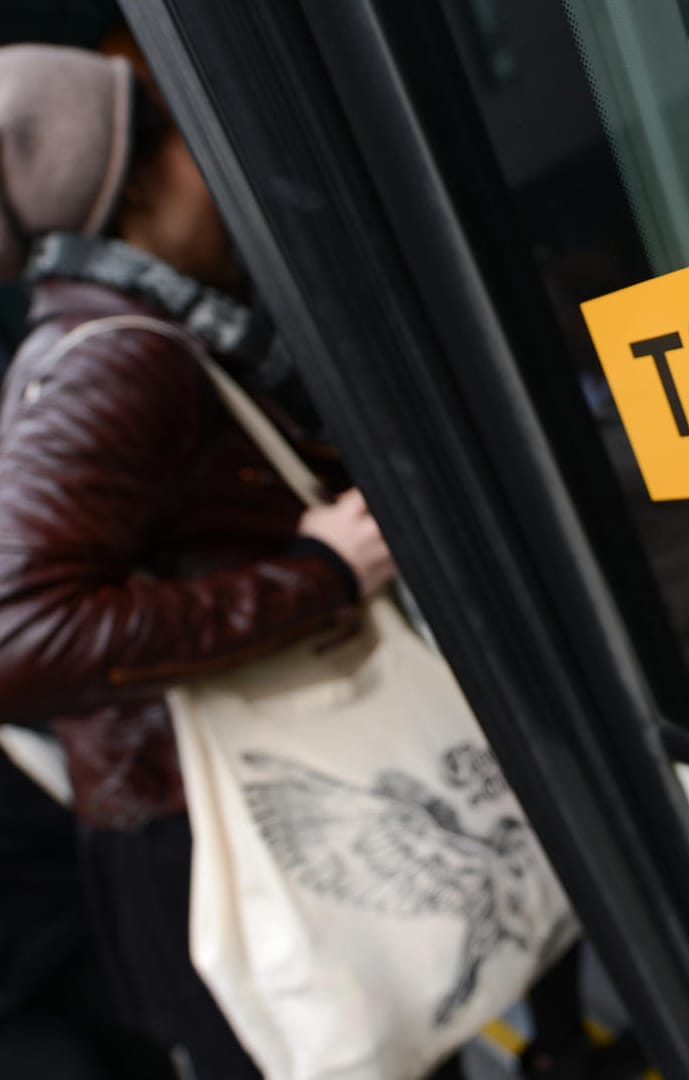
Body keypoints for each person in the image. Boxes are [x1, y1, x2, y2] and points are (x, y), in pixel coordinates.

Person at [0, 44, 394, 1077]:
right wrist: (319, 578)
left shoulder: (105, 334)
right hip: (219, 820)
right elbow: (18, 633)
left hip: (194, 804)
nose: (210, 176)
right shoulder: (122, 354)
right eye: (183, 144)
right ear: (129, 182)